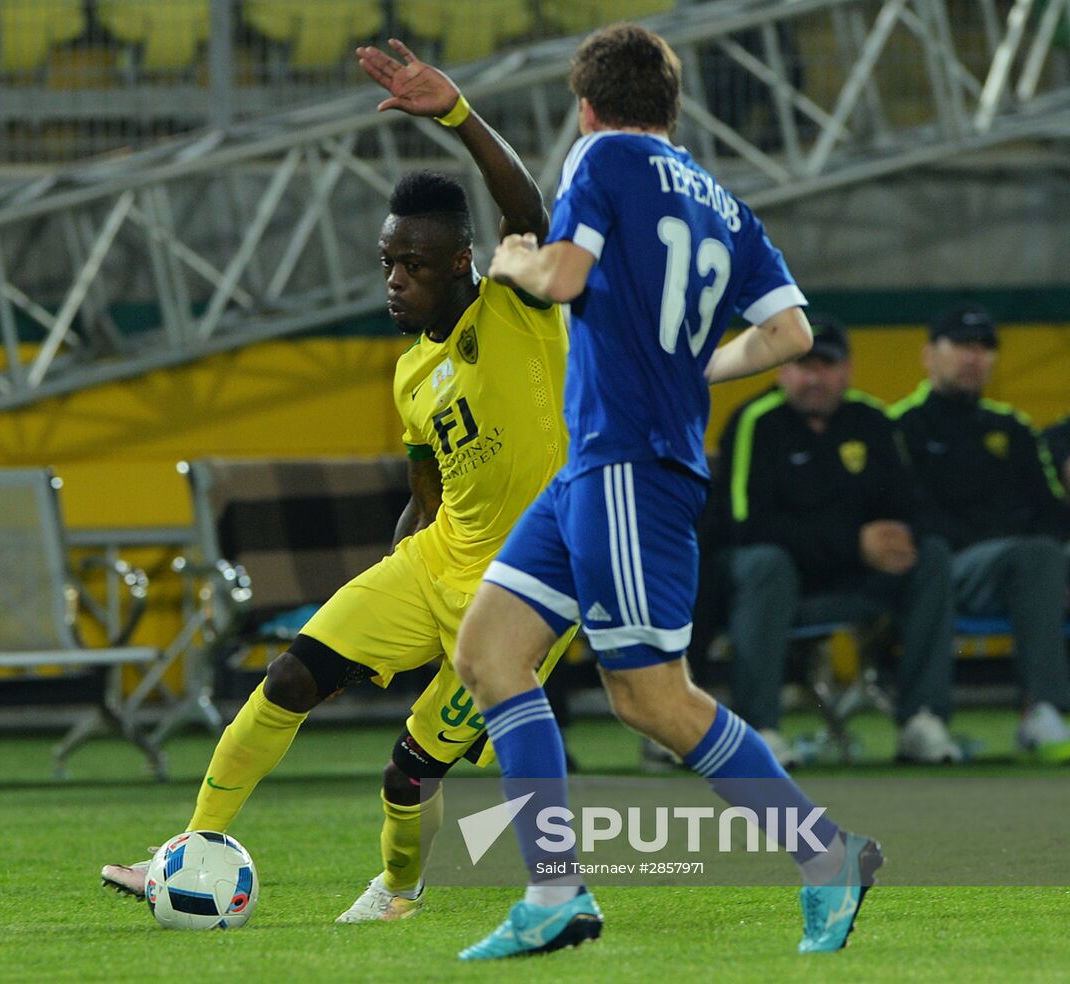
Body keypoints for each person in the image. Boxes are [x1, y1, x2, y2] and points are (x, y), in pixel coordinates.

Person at [100, 40, 578, 923]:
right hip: (435, 563)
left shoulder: (519, 309)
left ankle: (399, 892)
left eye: (416, 267)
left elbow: (529, 211)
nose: (396, 281)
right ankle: (187, 847)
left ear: (463, 263)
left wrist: (458, 117)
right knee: (287, 678)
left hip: (526, 593)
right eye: (388, 263)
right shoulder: (407, 374)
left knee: (408, 773)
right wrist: (393, 588)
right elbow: (427, 489)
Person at [454, 24, 879, 961]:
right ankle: (554, 891)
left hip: (629, 464)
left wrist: (514, 261)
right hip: (598, 465)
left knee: (652, 699)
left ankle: (825, 855)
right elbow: (792, 334)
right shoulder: (723, 201)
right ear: (671, 108)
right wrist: (691, 367)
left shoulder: (600, 155)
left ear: (589, 105)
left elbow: (565, 275)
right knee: (489, 650)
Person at [714, 315, 959, 765]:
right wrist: (854, 543)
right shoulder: (756, 423)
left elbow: (915, 503)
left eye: (826, 366)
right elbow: (746, 526)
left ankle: (922, 719)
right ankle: (759, 727)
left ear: (846, 370)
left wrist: (905, 537)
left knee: (933, 556)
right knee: (766, 563)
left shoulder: (871, 420)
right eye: (802, 365)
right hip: (779, 579)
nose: (814, 378)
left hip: (852, 578)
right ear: (780, 370)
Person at [890, 305, 1070, 762]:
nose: (975, 358)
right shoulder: (899, 427)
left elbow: (1052, 511)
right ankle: (1030, 710)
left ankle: (1040, 713)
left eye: (985, 348)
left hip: (1019, 572)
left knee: (1043, 555)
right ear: (929, 355)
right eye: (962, 346)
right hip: (938, 568)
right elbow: (905, 510)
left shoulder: (1014, 428)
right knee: (1032, 556)